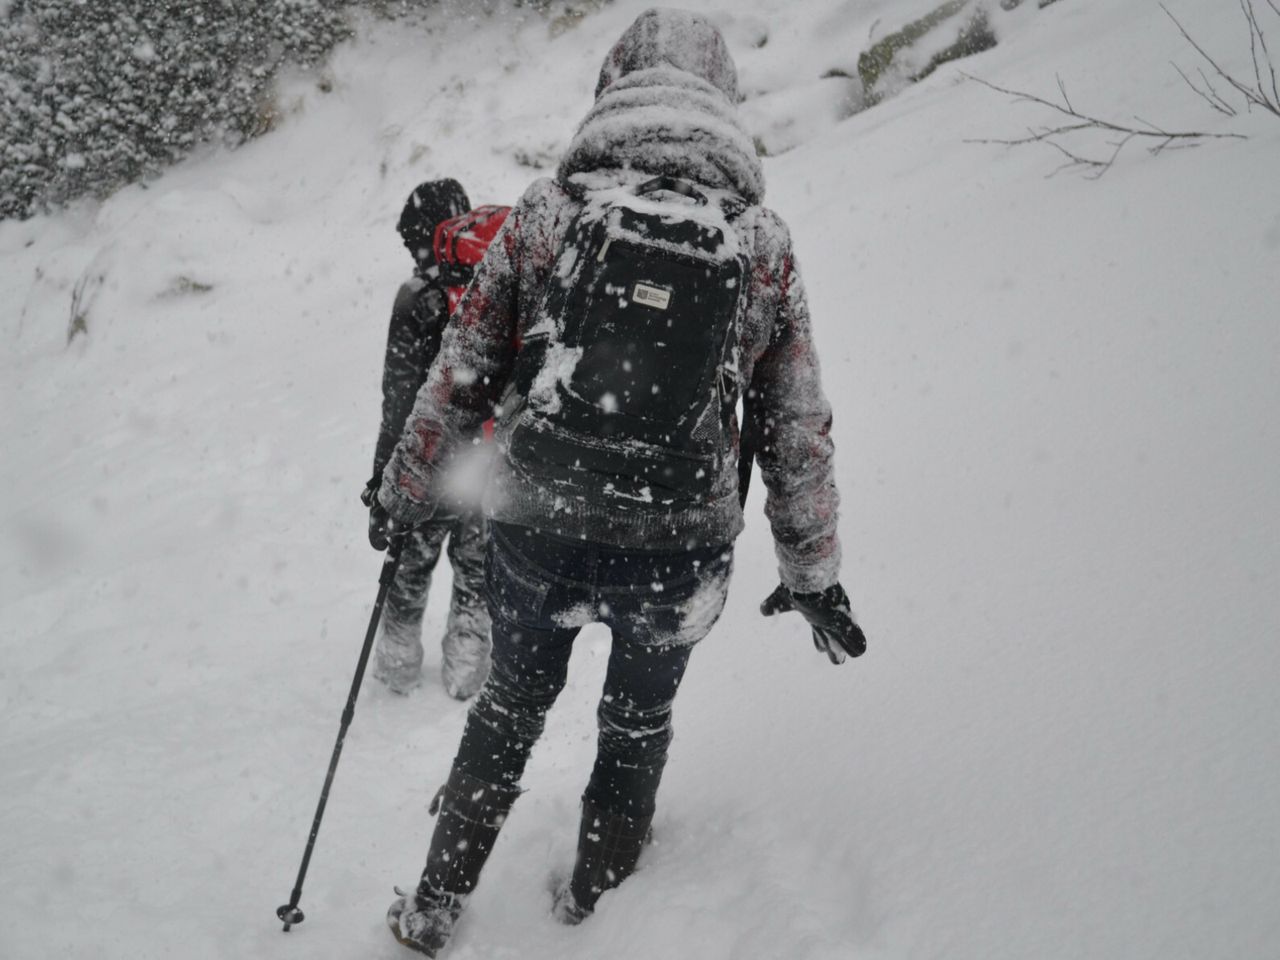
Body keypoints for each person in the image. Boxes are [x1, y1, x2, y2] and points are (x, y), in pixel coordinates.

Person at [373, 10, 867, 955]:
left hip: (537, 522)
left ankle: (434, 906)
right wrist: (812, 569)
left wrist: (405, 489)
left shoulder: (547, 211)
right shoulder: (760, 241)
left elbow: (460, 367)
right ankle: (597, 908)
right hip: (682, 545)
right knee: (638, 722)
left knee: (511, 707)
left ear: (615, 85)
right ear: (722, 97)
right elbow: (795, 422)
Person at [363, 178, 492, 700]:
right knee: (478, 575)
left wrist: (383, 485)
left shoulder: (417, 299)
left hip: (429, 467)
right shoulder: (496, 284)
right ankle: (466, 669)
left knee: (408, 570)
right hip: (489, 470)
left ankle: (396, 666)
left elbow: (398, 403)